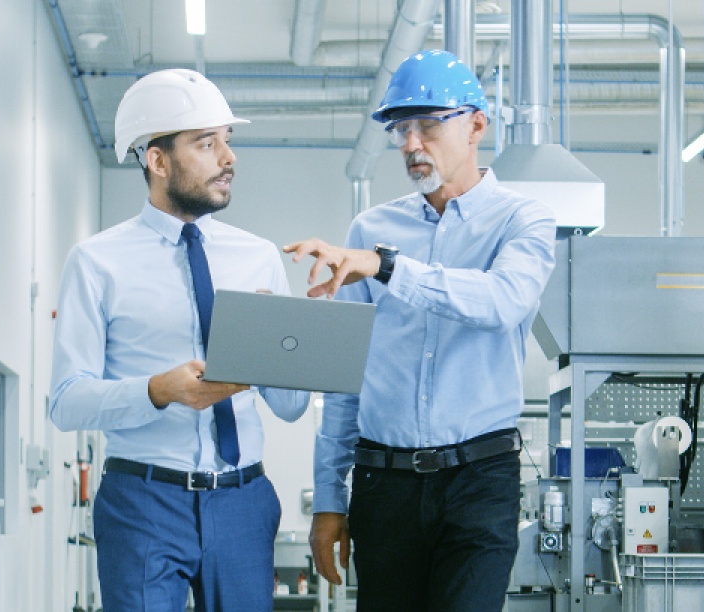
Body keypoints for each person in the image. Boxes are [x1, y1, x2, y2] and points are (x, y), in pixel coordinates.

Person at [288, 50, 557, 611]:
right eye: (400, 129)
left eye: (429, 126)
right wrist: (329, 501)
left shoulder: (522, 220)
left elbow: (502, 301)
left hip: (480, 479)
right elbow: (344, 376)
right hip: (384, 483)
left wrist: (387, 267)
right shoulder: (372, 227)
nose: (412, 144)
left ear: (477, 124)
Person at [49, 69, 308, 612]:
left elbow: (290, 407)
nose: (228, 158)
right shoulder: (96, 262)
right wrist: (156, 391)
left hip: (243, 499)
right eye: (206, 143)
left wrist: (283, 348)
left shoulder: (257, 257)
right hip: (142, 500)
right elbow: (67, 400)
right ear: (157, 160)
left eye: (227, 142)